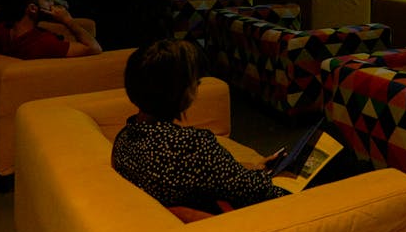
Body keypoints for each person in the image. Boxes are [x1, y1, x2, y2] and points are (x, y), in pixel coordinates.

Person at [111, 39, 288, 214]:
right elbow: (256, 191)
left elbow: (211, 175)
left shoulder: (124, 138)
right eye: (193, 80)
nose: (197, 84)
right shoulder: (190, 146)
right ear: (177, 91)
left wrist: (256, 167)